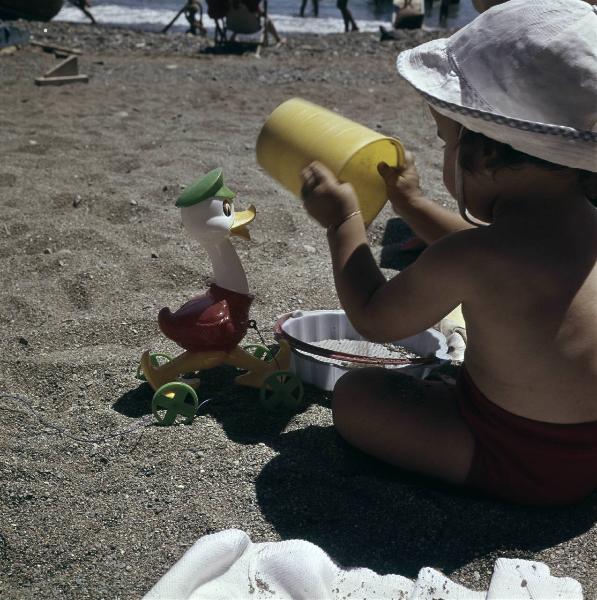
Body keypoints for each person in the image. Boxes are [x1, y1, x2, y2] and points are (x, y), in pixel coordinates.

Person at [299, 0, 597, 506]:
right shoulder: (566, 228)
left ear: (484, 150)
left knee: (357, 396)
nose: (443, 154)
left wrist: (342, 221)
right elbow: (485, 252)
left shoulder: (475, 257)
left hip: (518, 456)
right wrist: (412, 202)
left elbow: (374, 317)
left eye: (445, 141)